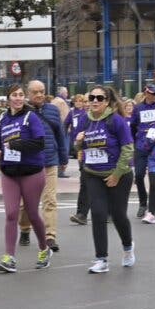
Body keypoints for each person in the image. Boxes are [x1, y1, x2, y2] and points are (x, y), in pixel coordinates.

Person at [73, 84, 134, 273]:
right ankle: (101, 259)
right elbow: (77, 148)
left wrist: (116, 174)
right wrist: (78, 142)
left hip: (119, 175)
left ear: (107, 101)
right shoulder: (85, 120)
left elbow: (128, 149)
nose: (95, 101)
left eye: (100, 98)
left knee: (117, 215)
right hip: (93, 174)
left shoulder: (116, 121)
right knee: (98, 214)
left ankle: (128, 248)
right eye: (92, 98)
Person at [0, 84, 51, 273]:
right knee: (11, 214)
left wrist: (17, 145)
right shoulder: (2, 118)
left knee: (32, 214)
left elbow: (39, 143)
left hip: (31, 172)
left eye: (20, 95)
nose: (18, 98)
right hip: (9, 172)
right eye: (14, 95)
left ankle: (44, 249)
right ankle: (9, 257)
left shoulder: (30, 117)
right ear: (8, 97)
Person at [18, 80, 64, 253]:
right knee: (26, 205)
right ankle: (24, 228)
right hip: (28, 164)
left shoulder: (53, 110)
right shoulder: (22, 112)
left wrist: (63, 157)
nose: (39, 95)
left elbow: (59, 135)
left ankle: (50, 236)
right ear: (28, 94)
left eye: (42, 91)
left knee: (50, 200)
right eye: (35, 92)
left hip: (50, 162)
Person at [128, 84, 155, 219]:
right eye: (152, 94)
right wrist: (134, 141)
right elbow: (132, 126)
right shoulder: (138, 108)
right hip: (141, 145)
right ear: (146, 94)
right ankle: (143, 203)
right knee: (139, 175)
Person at [67, 92, 90, 224]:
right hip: (87, 157)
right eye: (85, 101)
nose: (87, 104)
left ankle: (109, 212)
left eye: (89, 101)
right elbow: (77, 140)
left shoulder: (108, 118)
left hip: (105, 160)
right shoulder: (83, 118)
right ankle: (81, 214)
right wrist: (79, 150)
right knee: (85, 184)